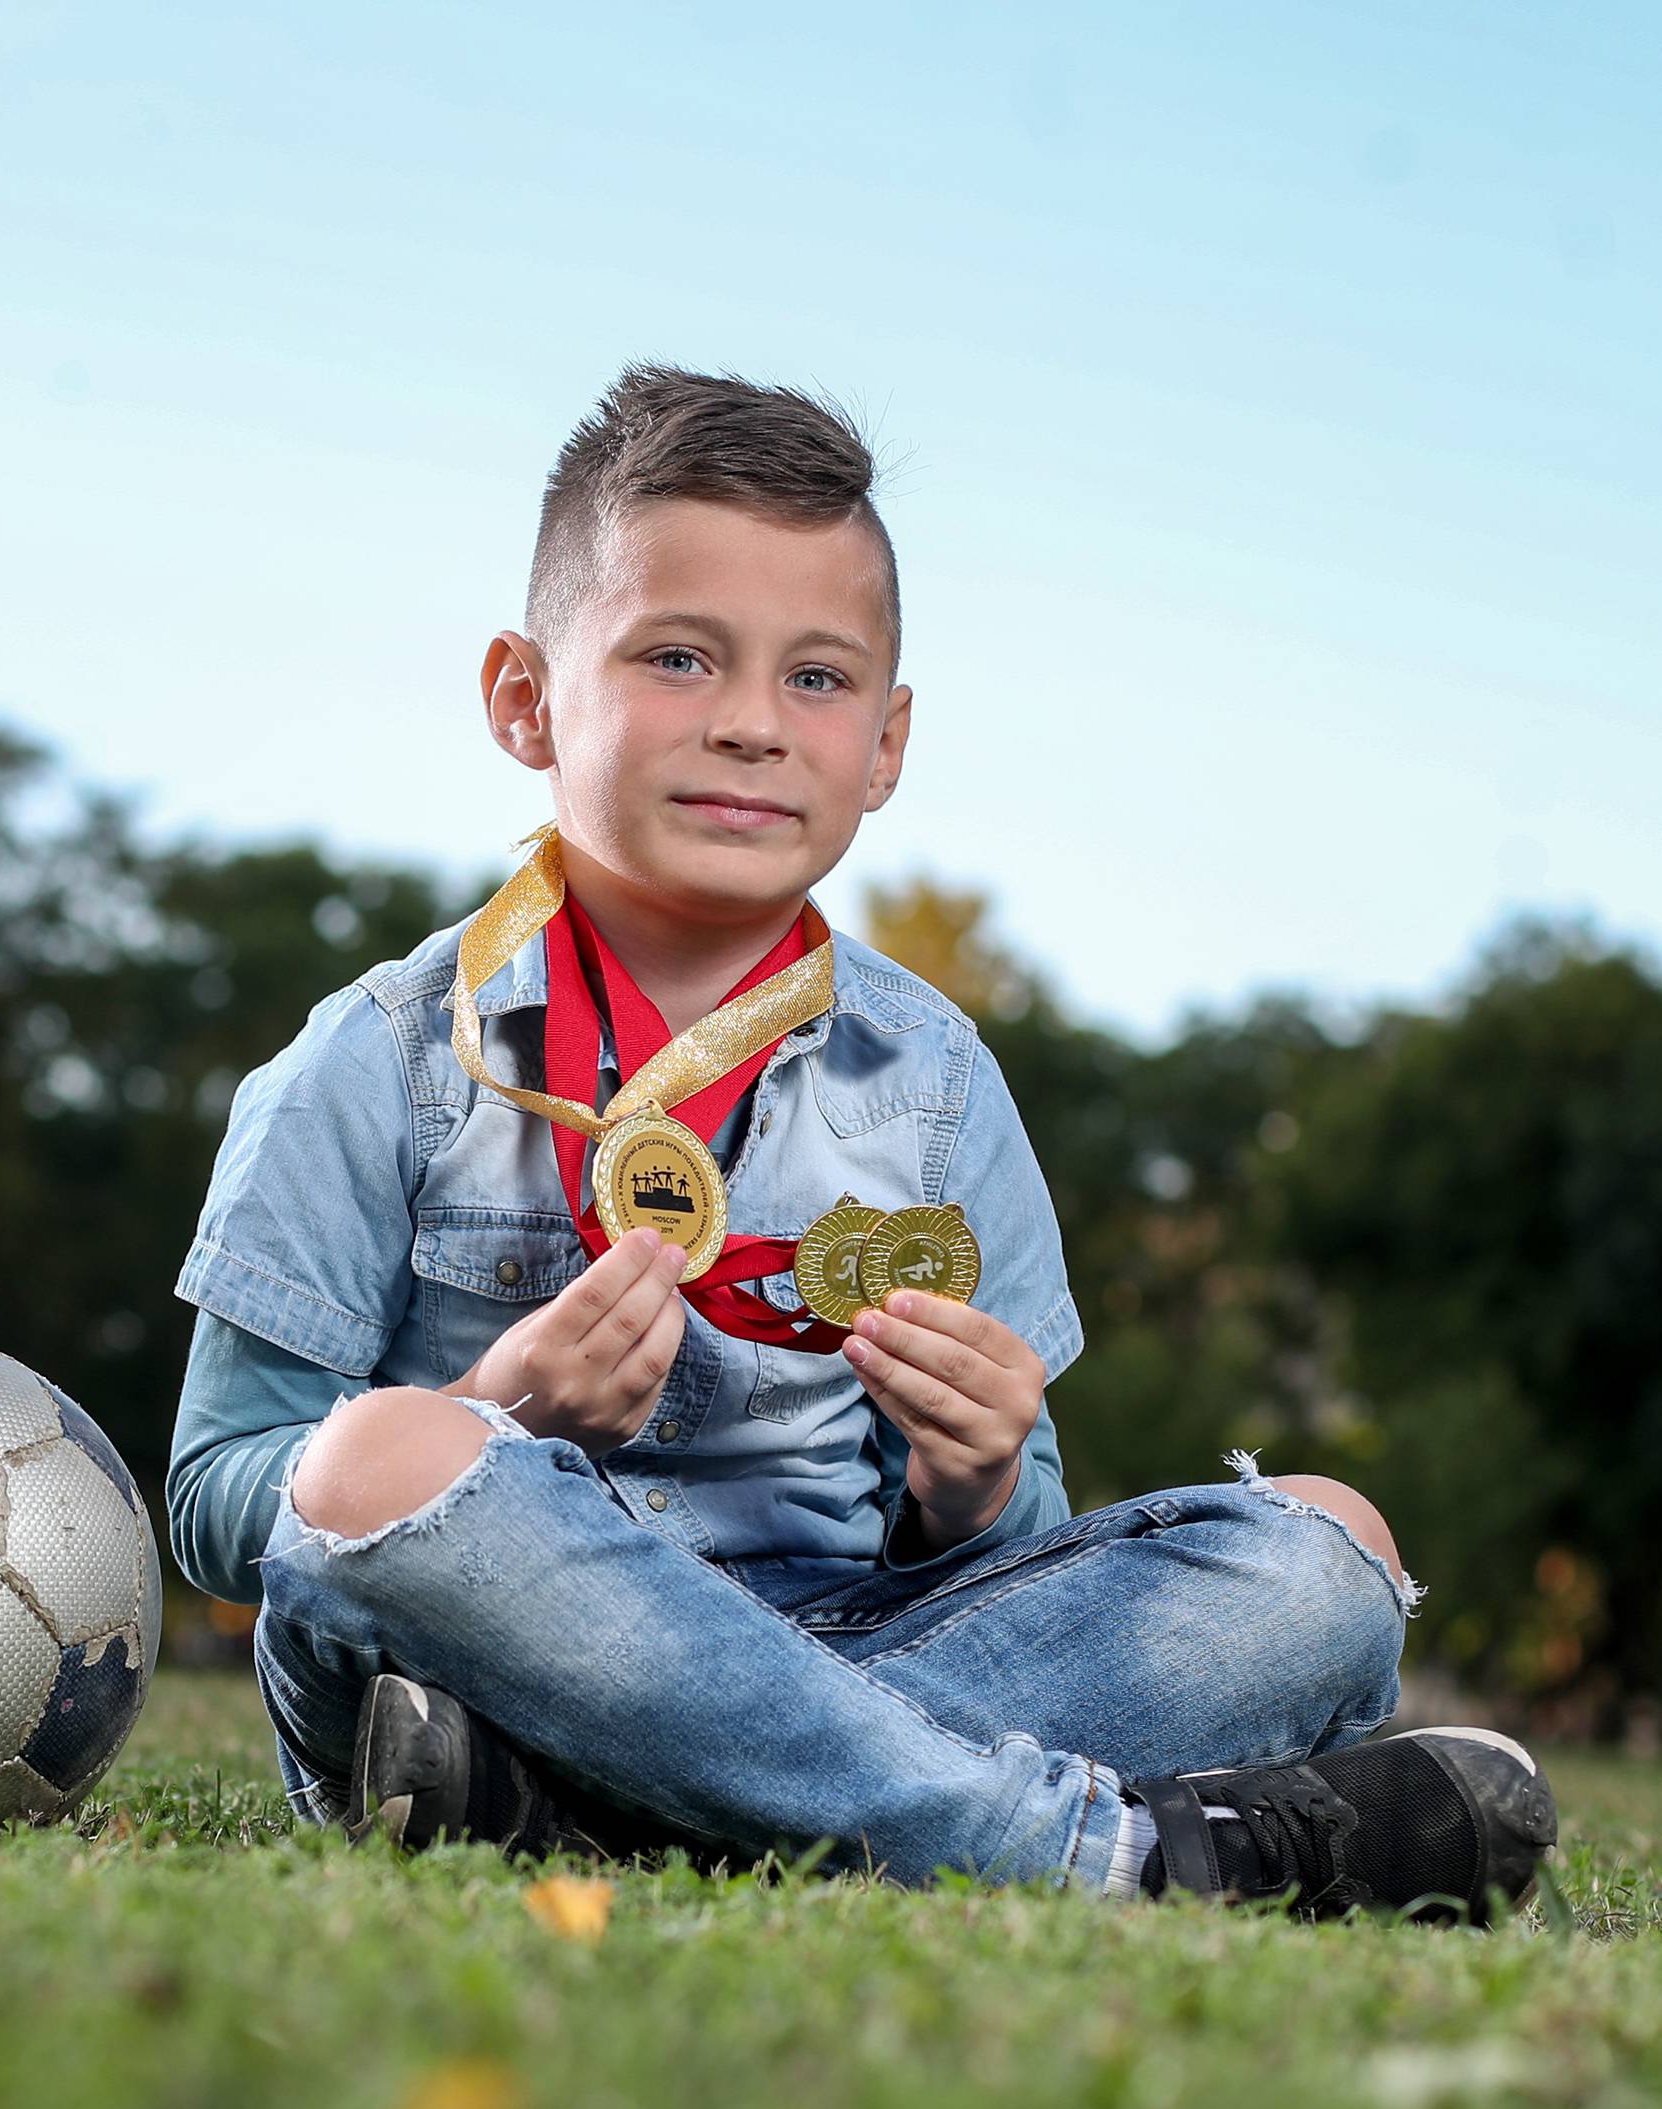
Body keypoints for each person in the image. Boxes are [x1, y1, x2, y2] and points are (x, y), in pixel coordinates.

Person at [165, 364, 1556, 1920]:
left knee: (1332, 1555)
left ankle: (589, 1809)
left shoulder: (941, 1084)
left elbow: (1012, 1532)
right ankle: (1121, 1857)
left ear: (887, 744)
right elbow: (227, 1495)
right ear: (523, 698)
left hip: (865, 1651)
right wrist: (492, 1409)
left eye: (818, 680)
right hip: (501, 1648)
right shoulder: (384, 1056)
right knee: (382, 1458)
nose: (753, 725)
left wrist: (970, 1482)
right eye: (678, 657)